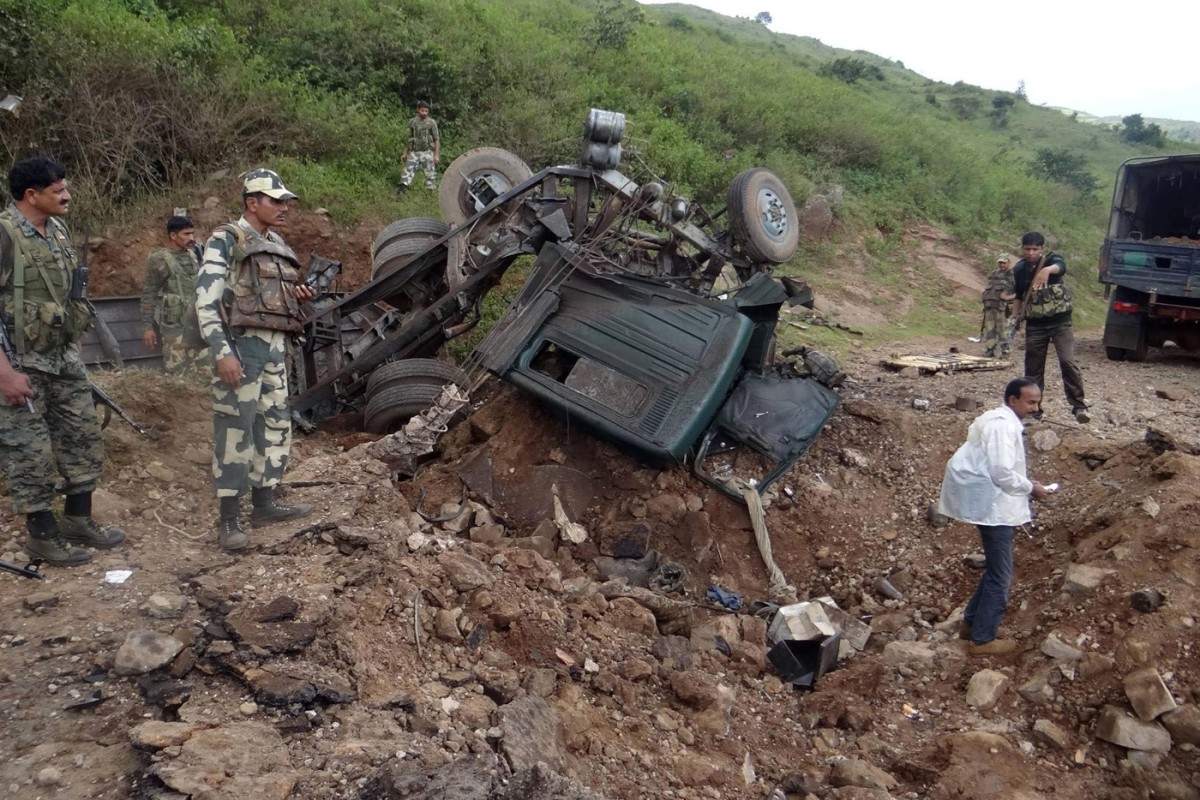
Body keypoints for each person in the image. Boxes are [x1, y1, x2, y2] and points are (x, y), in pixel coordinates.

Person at [0, 156, 125, 566]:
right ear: (31, 195)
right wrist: (4, 374)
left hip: (63, 357)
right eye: (58, 190)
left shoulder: (58, 230)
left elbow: (67, 295)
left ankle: (77, 520)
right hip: (20, 363)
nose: (67, 195)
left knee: (82, 437)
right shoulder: (4, 234)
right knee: (30, 453)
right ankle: (42, 535)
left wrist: (74, 336)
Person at [194, 168, 315, 551]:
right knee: (235, 430)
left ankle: (264, 504)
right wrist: (222, 352)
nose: (283, 207)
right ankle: (229, 519)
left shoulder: (276, 242)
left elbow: (269, 297)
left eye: (284, 201)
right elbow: (207, 301)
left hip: (275, 349)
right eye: (275, 200)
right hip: (240, 348)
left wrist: (297, 294)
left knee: (275, 426)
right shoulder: (225, 240)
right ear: (252, 202)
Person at [937, 377, 1050, 656]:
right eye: (1030, 402)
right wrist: (1030, 487)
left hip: (993, 505)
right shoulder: (1002, 426)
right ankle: (983, 640)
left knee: (995, 571)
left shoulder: (1000, 419)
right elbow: (1001, 473)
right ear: (1013, 400)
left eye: (1038, 402)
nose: (1036, 408)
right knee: (1001, 575)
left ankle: (971, 625)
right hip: (994, 508)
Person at [1010, 232, 1090, 423]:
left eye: (1035, 249)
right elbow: (1020, 295)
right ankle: (1033, 412)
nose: (1031, 253)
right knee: (1033, 369)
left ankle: (1079, 406)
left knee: (1067, 362)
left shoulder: (1051, 259)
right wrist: (1016, 317)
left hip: (1060, 322)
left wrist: (1047, 270)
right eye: (1027, 249)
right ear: (1022, 249)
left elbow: (1060, 266)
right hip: (1035, 325)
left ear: (1041, 249)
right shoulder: (1019, 268)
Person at [140, 215, 206, 373]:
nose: (191, 238)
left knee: (204, 373)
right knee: (177, 374)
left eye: (192, 233)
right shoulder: (159, 260)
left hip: (198, 326)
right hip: (174, 329)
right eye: (186, 234)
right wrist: (147, 327)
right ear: (173, 236)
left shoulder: (197, 255)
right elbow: (149, 294)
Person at [396, 101, 440, 192]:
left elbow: (436, 139)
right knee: (407, 170)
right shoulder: (413, 122)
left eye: (426, 111)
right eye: (422, 110)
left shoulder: (431, 122)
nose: (424, 113)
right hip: (414, 151)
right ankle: (402, 190)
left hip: (427, 151)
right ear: (418, 110)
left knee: (430, 174)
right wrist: (405, 153)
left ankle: (430, 192)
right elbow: (409, 138)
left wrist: (436, 155)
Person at [980, 253, 1015, 358]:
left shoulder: (1012, 275)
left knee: (1003, 330)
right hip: (990, 306)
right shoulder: (993, 274)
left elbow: (1020, 292)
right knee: (989, 329)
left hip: (1003, 308)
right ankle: (990, 350)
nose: (1002, 265)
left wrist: (1009, 298)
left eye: (1004, 262)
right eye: (1000, 262)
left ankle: (1005, 351)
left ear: (1009, 262)